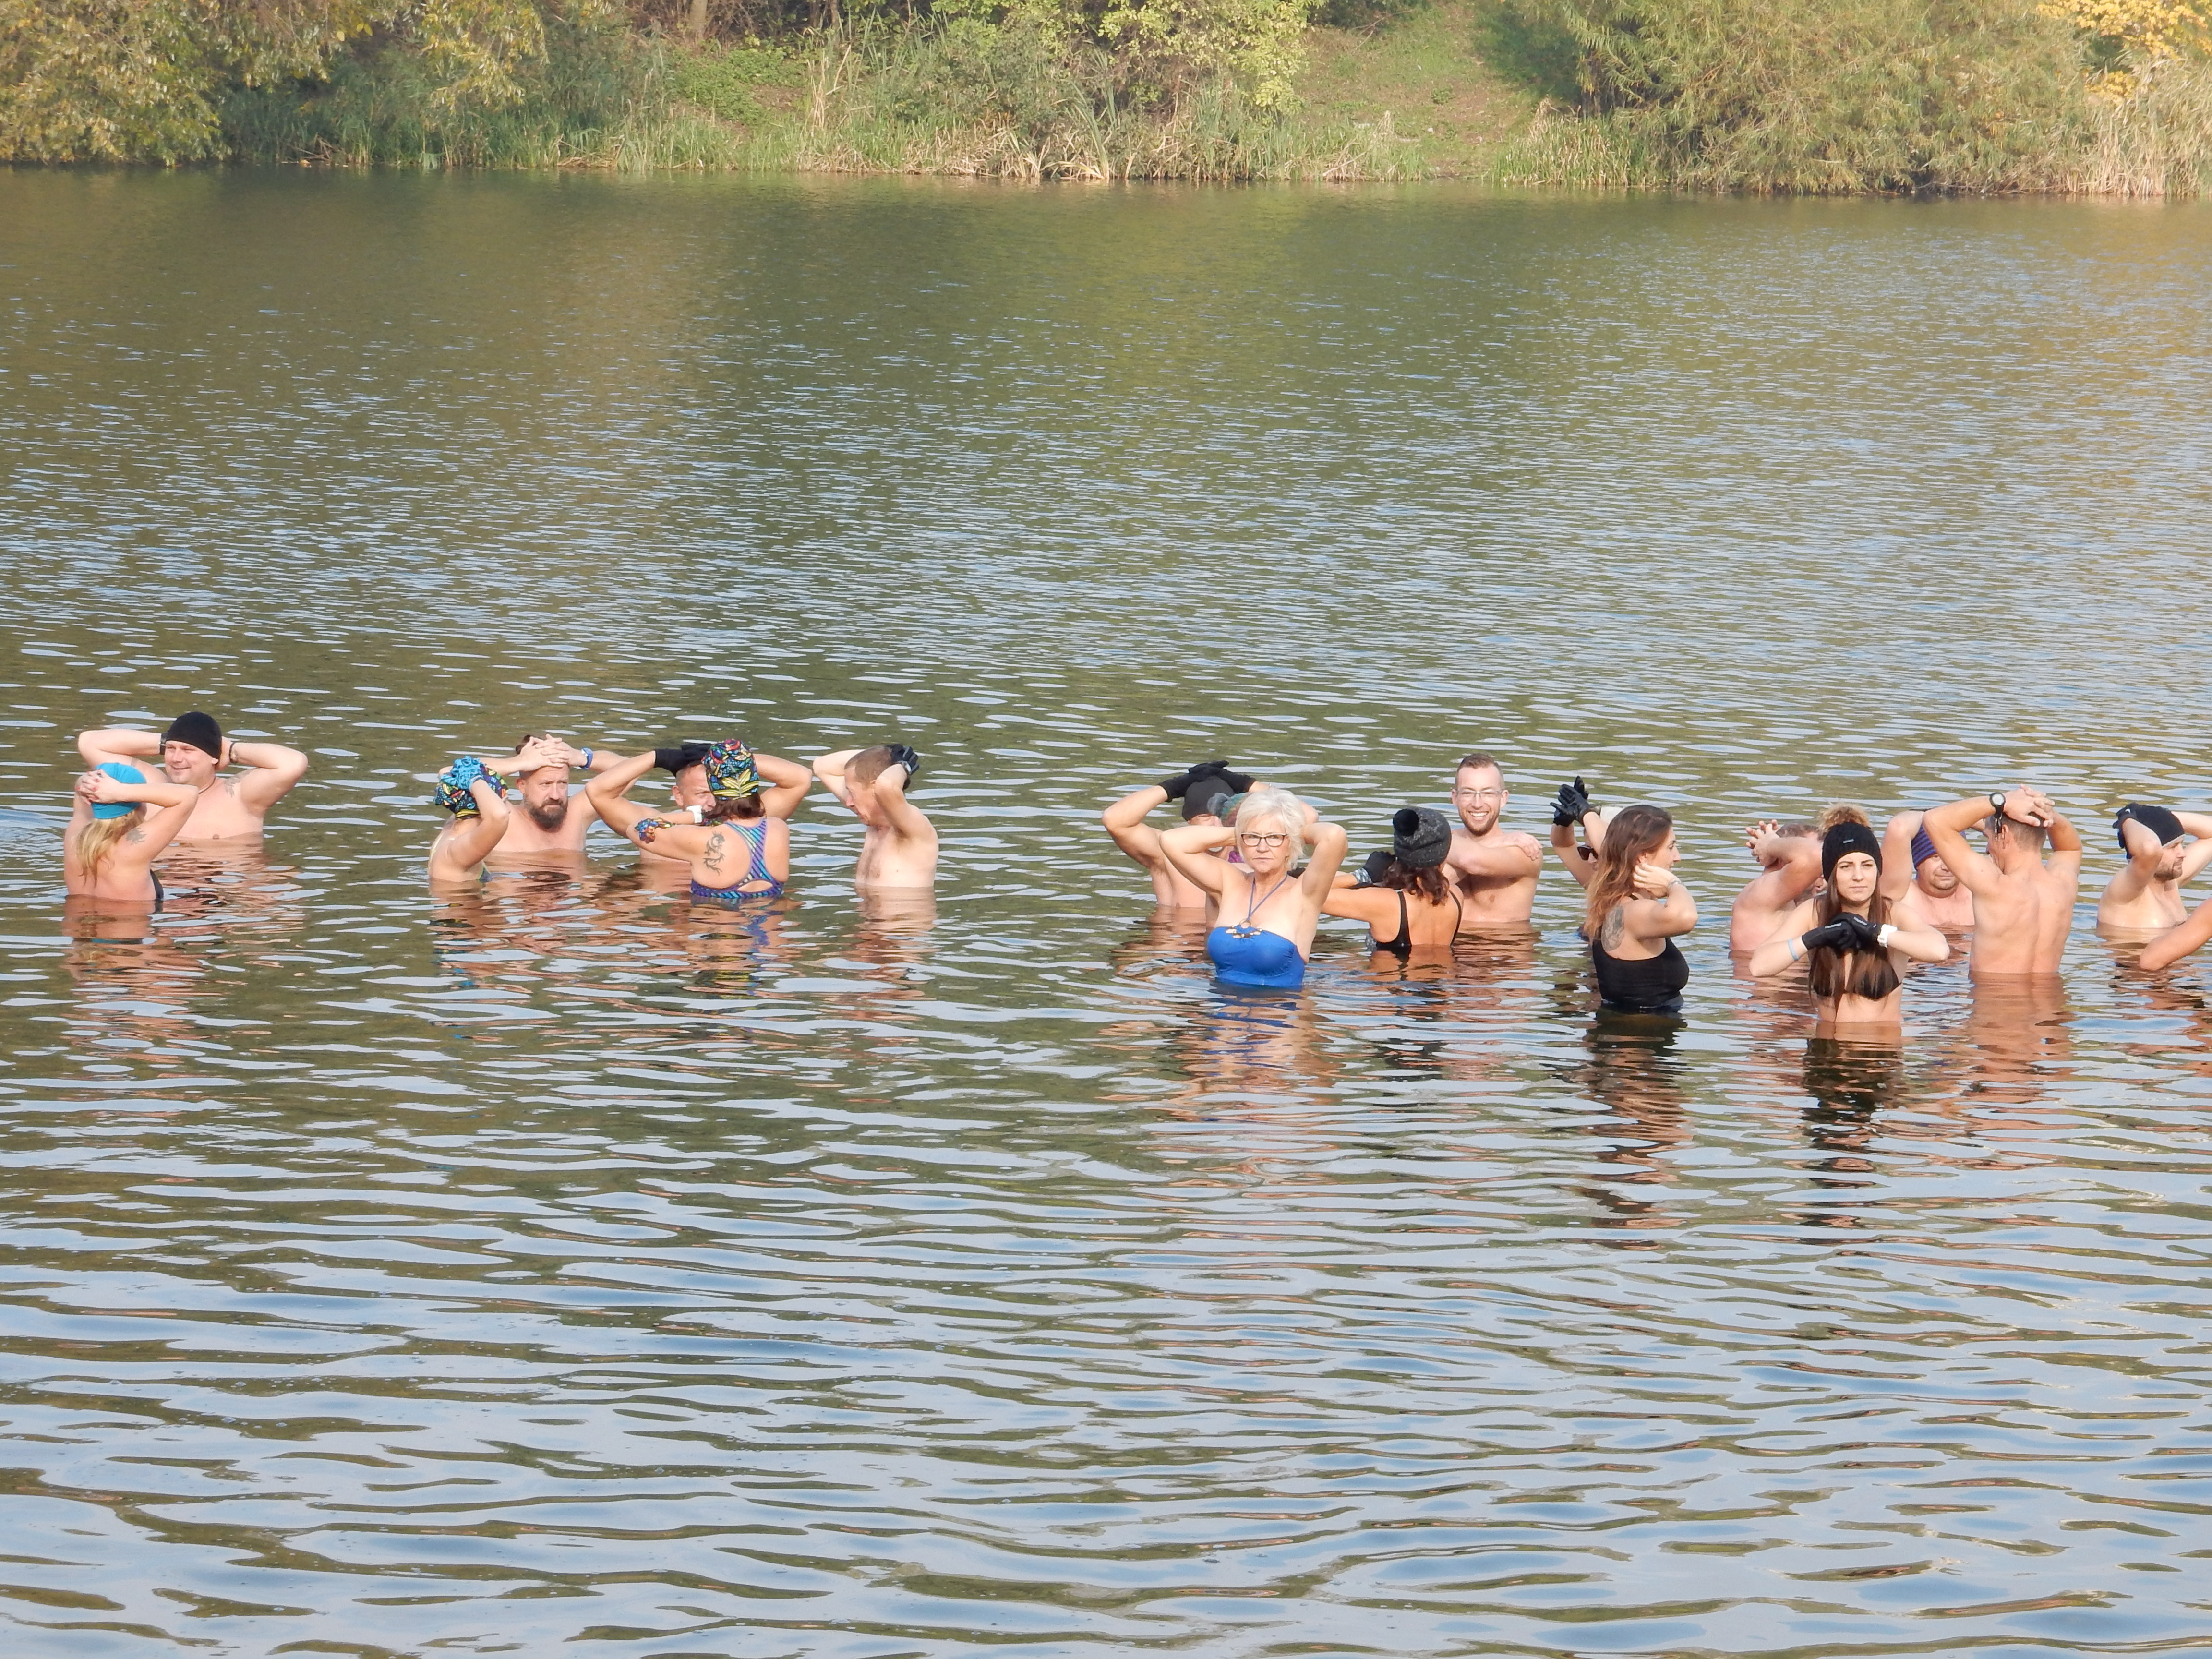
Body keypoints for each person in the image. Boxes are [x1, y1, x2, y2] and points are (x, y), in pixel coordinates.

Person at [1748, 819, 1949, 1025]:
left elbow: (1939, 951)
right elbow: (1759, 966)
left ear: (1877, 870)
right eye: (1846, 867)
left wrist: (1876, 932)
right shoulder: (1813, 912)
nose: (1858, 877)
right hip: (1824, 1041)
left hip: (1880, 1043)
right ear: (1831, 874)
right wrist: (1815, 937)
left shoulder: (1893, 914)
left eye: (1867, 865)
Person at [1160, 786, 1348, 989]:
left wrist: (1291, 832)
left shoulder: (1304, 894)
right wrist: (1242, 832)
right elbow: (1171, 841)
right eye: (1253, 838)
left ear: (1291, 844)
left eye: (1274, 838)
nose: (1262, 848)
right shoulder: (1229, 883)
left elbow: (1334, 836)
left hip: (1282, 1007)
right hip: (1218, 1007)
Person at [587, 741, 813, 901]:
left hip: (711, 929)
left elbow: (800, 778)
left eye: (714, 793)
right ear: (678, 795)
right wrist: (659, 757)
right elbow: (597, 792)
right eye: (702, 794)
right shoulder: (771, 826)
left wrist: (718, 759)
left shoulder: (672, 831)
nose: (712, 803)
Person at [1921, 787, 2081, 977]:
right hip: (2051, 996)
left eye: (1988, 838)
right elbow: (2070, 848)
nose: (1987, 849)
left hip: (1994, 996)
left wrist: (2001, 801)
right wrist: (2045, 811)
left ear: (2003, 833)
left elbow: (1934, 820)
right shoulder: (2063, 885)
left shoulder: (1993, 885)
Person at [76, 712, 309, 842]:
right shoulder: (149, 785)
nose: (176, 759)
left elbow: (293, 763)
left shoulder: (239, 795)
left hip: (223, 891)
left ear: (213, 757)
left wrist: (230, 750)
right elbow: (89, 742)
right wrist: (166, 741)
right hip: (162, 892)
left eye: (188, 750)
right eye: (171, 750)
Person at [1583, 804, 1696, 1015]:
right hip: (1644, 1031)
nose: (1677, 857)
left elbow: (1614, 848)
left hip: (1626, 1026)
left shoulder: (1612, 898)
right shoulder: (1635, 912)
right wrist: (1673, 884)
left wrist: (1586, 814)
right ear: (1643, 857)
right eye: (1671, 847)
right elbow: (1687, 917)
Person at [1101, 761, 1253, 909]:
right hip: (1172, 926)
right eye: (1205, 817)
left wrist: (1244, 783)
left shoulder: (1253, 857)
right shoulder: (1166, 853)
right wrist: (1172, 787)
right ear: (1190, 821)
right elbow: (1115, 821)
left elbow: (1268, 813)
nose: (1215, 825)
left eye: (1221, 817)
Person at [1323, 807, 1463, 958]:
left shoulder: (1387, 904)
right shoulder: (1456, 895)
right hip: (1443, 972)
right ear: (1444, 853)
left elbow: (1310, 895)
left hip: (1388, 974)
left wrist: (1364, 875)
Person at [63, 762, 199, 904]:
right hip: (131, 917)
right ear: (140, 805)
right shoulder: (134, 849)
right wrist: (121, 792)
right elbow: (189, 795)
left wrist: (87, 783)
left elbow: (80, 791)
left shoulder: (74, 837)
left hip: (78, 917)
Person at [813, 745, 938, 891]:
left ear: (874, 788)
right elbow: (821, 766)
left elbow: (886, 786)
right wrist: (886, 758)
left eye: (852, 793)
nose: (849, 803)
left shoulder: (912, 829)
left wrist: (904, 766)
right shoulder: (873, 819)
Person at [1439, 752, 1543, 927]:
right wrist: (1499, 842)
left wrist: (1440, 845)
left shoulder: (1524, 850)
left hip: (1501, 943)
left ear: (1503, 798)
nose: (1477, 804)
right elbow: (1421, 891)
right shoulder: (1447, 841)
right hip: (1449, 944)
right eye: (1468, 793)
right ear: (1455, 798)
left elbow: (1470, 861)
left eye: (1487, 793)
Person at [484, 735, 620, 858]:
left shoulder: (578, 815)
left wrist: (582, 758)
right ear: (522, 786)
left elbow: (628, 770)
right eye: (546, 784)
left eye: (562, 783)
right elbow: (470, 772)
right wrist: (520, 762)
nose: (555, 796)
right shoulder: (501, 818)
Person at [2097, 803, 2212, 933]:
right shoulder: (2127, 890)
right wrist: (2126, 819)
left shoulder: (2170, 881)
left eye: (2181, 844)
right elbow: (2150, 849)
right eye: (2173, 847)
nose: (2182, 854)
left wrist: (2163, 816)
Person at [1730, 818, 1822, 950]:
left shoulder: (1801, 899)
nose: (1822, 868)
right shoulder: (1762, 892)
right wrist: (1770, 844)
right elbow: (1814, 856)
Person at [1879, 810, 1976, 933]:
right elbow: (1899, 826)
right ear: (1918, 862)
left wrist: (1983, 825)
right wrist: (1934, 816)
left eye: (1952, 857)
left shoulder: (1978, 892)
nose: (1946, 867)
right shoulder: (1900, 897)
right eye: (1936, 857)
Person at [426, 756, 511, 885]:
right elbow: (499, 817)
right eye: (504, 802)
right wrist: (474, 779)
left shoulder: (452, 828)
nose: (509, 810)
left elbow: (447, 773)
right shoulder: (457, 851)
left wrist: (523, 762)